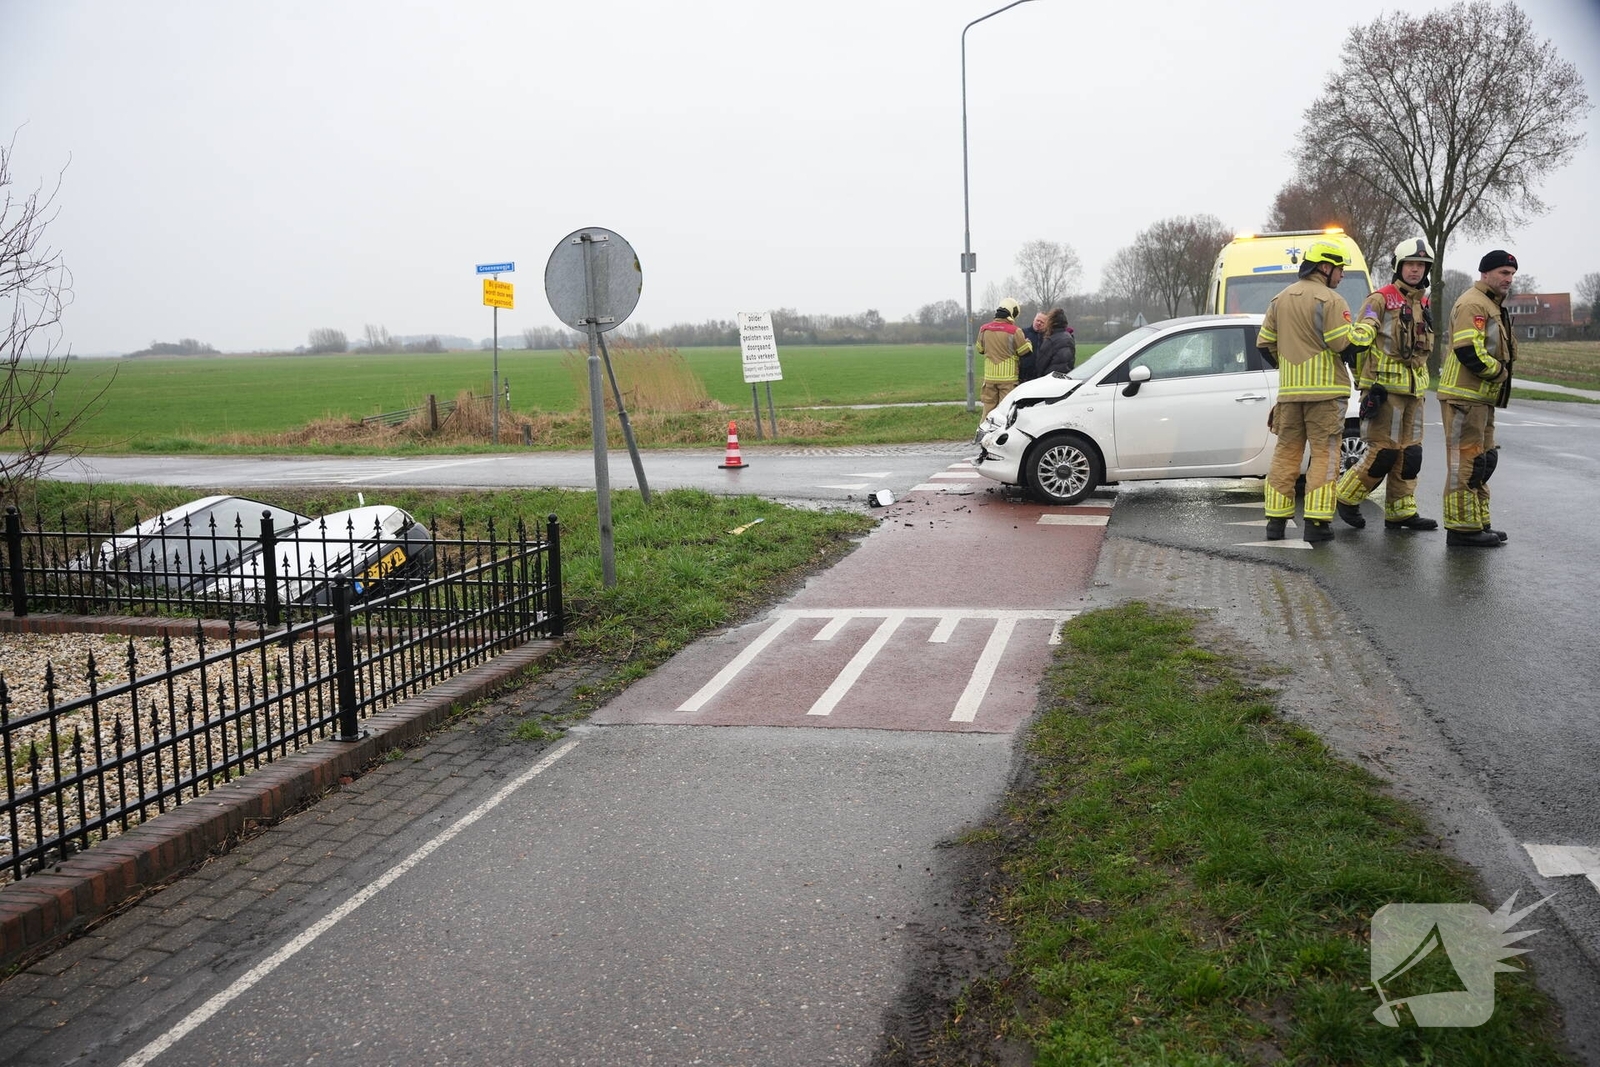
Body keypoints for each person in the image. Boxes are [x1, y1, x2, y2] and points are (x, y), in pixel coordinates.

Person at [1256, 240, 1376, 543]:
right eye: (1340, 268)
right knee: (1326, 454)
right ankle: (1318, 523)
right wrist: (1369, 327)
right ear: (1325, 267)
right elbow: (1344, 343)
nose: (1342, 275)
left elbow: (1265, 344)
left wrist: (1291, 368)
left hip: (1290, 393)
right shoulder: (1331, 300)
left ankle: (1275, 522)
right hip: (1325, 395)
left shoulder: (1278, 299)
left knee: (1286, 454)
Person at [1333, 238, 1440, 531]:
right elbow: (1361, 338)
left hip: (1415, 392)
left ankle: (1401, 511)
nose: (1416, 271)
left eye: (1421, 265)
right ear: (1398, 266)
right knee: (1384, 453)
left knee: (1410, 454)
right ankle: (1346, 497)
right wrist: (1365, 385)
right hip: (1385, 392)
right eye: (1410, 265)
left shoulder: (1424, 302)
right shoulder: (1379, 299)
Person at [1438, 249, 1518, 548]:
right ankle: (1461, 530)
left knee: (1483, 463)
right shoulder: (1474, 303)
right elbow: (1468, 349)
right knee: (1466, 463)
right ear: (1485, 273)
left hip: (1481, 399)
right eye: (1503, 273)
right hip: (1465, 397)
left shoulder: (1490, 304)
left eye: (1511, 274)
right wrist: (1499, 373)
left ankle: (1478, 524)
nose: (1508, 279)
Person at [977, 297, 1032, 417]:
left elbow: (980, 349)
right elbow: (1024, 352)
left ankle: (984, 434)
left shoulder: (984, 329)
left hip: (989, 378)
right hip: (1008, 379)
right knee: (1004, 413)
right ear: (1012, 312)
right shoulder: (1015, 331)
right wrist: (1028, 343)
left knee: (987, 412)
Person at [1033, 308, 1077, 376]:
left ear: (1051, 323)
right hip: (1065, 377)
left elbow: (1040, 365)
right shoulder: (1070, 338)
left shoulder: (1050, 341)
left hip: (1050, 378)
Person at [1019, 311, 1047, 381]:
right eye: (1038, 320)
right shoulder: (1022, 333)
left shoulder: (1047, 337)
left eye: (1042, 322)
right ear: (1034, 320)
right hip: (1024, 376)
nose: (1039, 323)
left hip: (1040, 377)